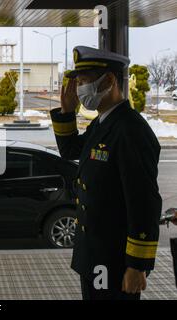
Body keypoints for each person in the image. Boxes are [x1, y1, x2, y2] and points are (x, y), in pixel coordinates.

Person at [50, 46, 162, 300]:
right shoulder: (103, 122)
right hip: (94, 254)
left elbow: (143, 202)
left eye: (84, 82)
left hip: (114, 259)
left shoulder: (130, 130)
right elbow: (70, 150)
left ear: (109, 80)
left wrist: (137, 265)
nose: (78, 90)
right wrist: (67, 112)